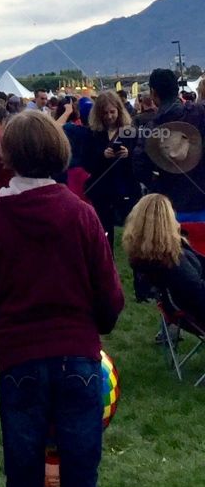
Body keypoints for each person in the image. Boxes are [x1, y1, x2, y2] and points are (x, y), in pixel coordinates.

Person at [0, 112, 124, 487]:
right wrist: (95, 327)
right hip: (78, 358)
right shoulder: (81, 213)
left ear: (8, 155)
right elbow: (110, 295)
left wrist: (7, 304)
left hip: (20, 360)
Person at [133, 68, 205, 215]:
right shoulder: (200, 113)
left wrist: (157, 184)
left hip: (169, 204)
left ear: (153, 93)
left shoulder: (151, 128)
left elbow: (139, 165)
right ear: (177, 89)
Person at [122, 193, 205, 321]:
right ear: (168, 221)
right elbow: (197, 293)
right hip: (195, 312)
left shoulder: (145, 257)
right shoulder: (174, 261)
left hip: (180, 308)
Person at [83, 90, 138, 246]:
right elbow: (86, 163)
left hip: (126, 187)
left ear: (119, 110)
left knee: (133, 232)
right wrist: (102, 156)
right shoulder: (92, 133)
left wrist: (128, 154)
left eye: (112, 112)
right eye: (105, 113)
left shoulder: (129, 130)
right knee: (105, 234)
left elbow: (139, 158)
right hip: (102, 190)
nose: (109, 116)